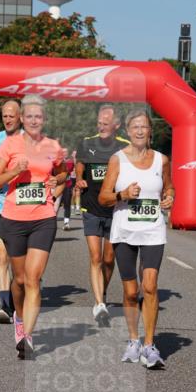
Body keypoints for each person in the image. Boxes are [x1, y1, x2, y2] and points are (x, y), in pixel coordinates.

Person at [0, 95, 67, 358]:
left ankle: (28, 336)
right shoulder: (9, 145)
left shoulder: (53, 146)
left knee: (33, 278)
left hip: (43, 218)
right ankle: (20, 319)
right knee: (20, 280)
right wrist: (14, 172)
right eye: (29, 116)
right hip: (13, 219)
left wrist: (58, 181)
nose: (34, 120)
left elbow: (63, 171)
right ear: (23, 119)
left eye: (38, 116)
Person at [97, 109, 173, 370]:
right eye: (135, 127)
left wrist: (169, 197)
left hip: (153, 230)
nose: (140, 131)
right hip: (125, 231)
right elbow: (103, 197)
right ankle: (133, 340)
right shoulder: (117, 160)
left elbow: (169, 186)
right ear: (127, 132)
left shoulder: (161, 160)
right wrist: (123, 195)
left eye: (144, 127)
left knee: (149, 286)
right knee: (130, 291)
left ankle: (149, 345)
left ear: (150, 131)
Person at [76, 104, 128, 326]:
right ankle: (99, 303)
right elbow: (80, 164)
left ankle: (102, 292)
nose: (101, 127)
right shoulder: (87, 143)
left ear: (116, 125)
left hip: (115, 209)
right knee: (96, 257)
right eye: (99, 123)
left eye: (105, 124)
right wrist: (80, 178)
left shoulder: (125, 147)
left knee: (108, 259)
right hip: (91, 207)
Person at [0, 99, 21, 323]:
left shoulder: (31, 140)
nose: (7, 120)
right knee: (1, 253)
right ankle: (5, 305)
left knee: (19, 260)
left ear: (20, 117)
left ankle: (21, 292)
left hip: (21, 207)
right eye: (4, 116)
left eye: (11, 116)